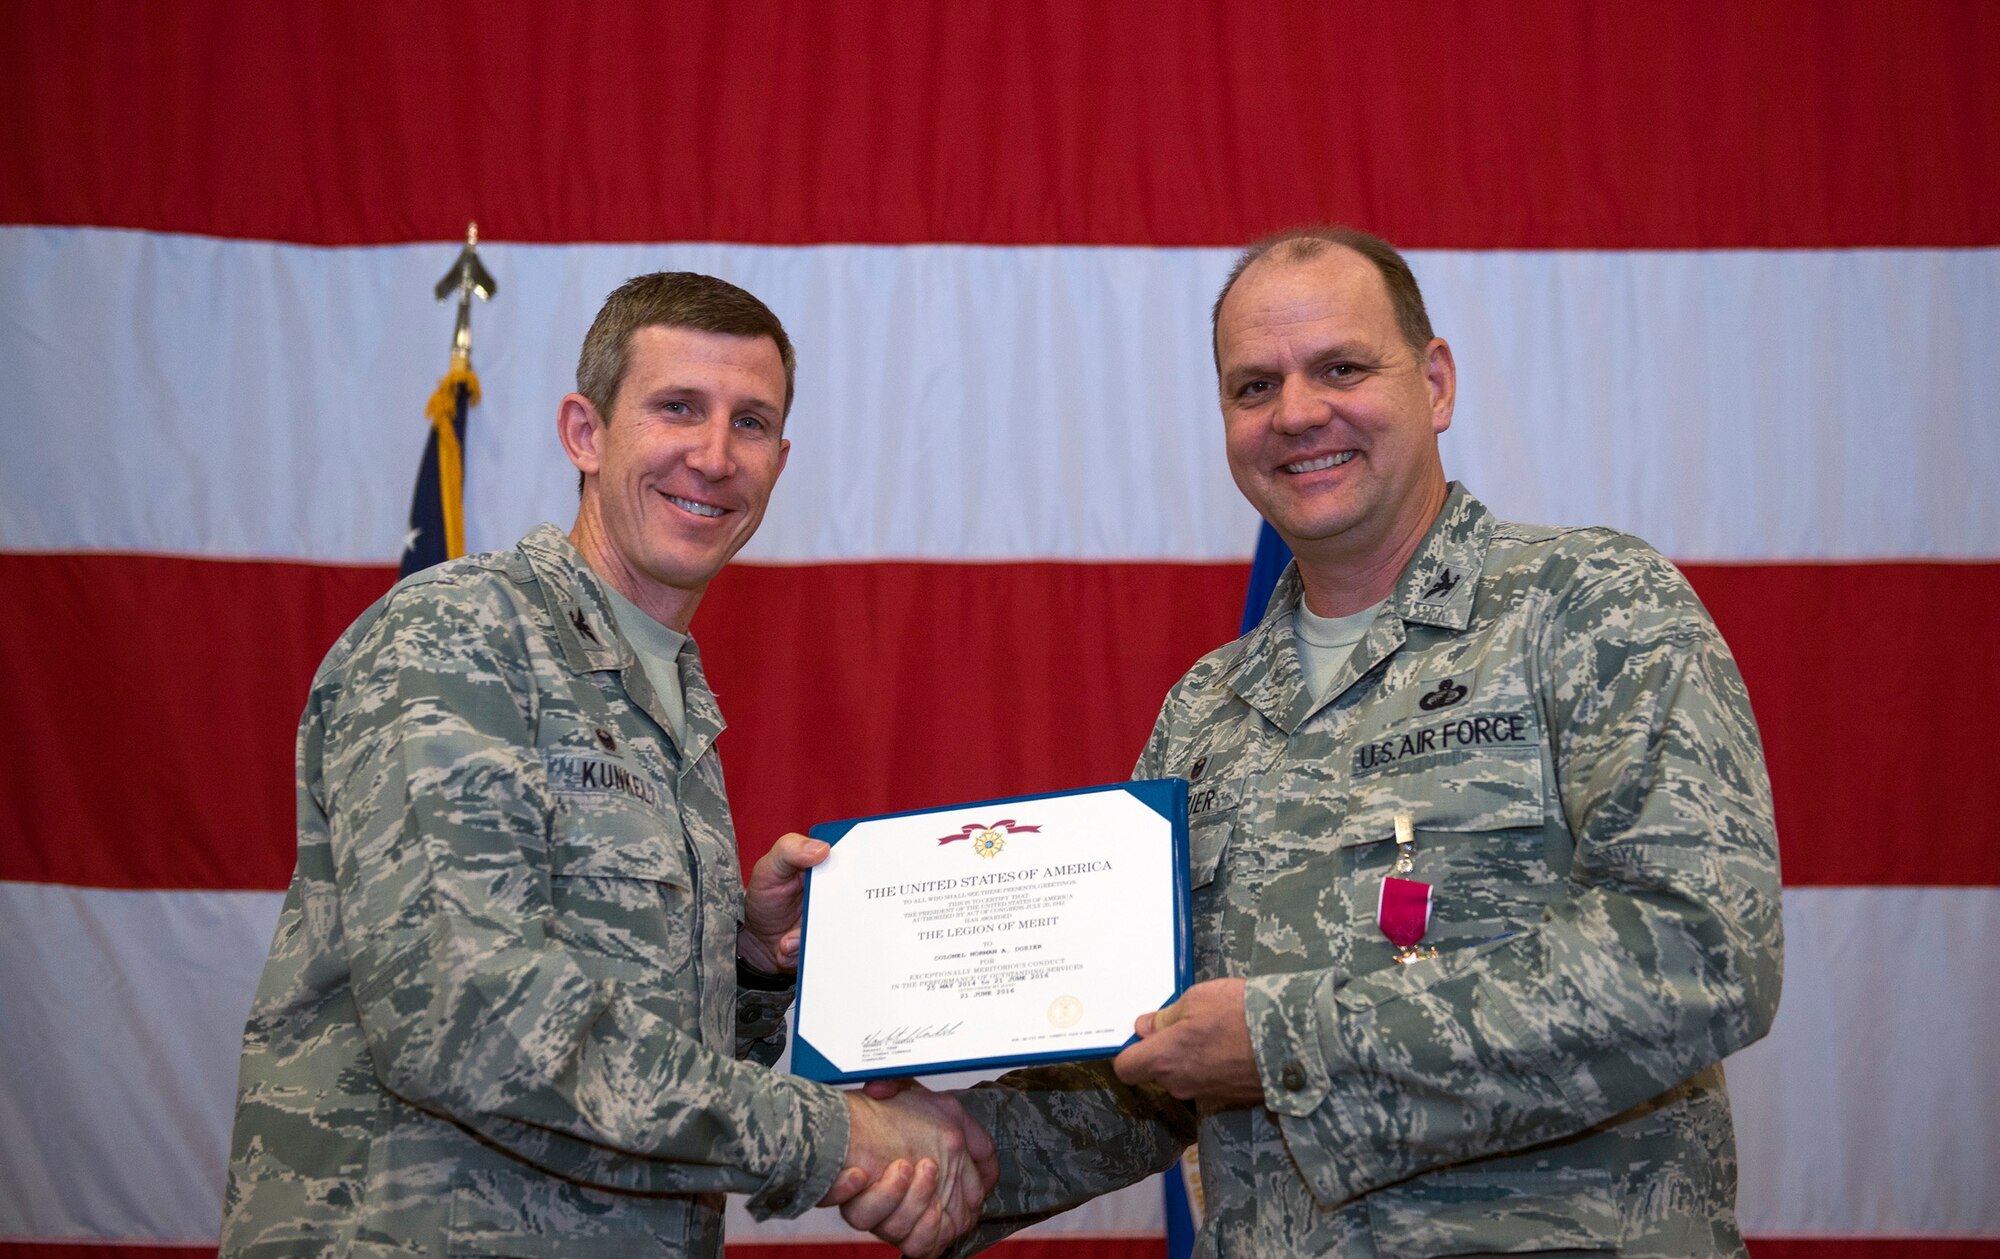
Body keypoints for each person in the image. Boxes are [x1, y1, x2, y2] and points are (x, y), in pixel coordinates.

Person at [848, 228, 1784, 1257]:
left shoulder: (1591, 609)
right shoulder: (1206, 709)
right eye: (1254, 386)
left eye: (1339, 367)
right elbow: (1142, 1065)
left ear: (1432, 382)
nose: (1296, 412)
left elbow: (1700, 954)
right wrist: (946, 1152)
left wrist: (1289, 1040)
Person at [220, 271, 993, 1258]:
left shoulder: (669, 697)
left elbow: (636, 1037)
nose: (713, 456)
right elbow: (469, 1020)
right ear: (584, 432)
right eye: (678, 408)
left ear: (780, 459)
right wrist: (844, 1135)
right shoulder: (458, 638)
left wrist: (748, 966)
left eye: (750, 423)